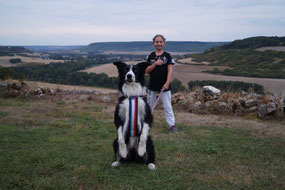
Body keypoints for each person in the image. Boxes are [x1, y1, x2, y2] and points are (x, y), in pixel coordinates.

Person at [145, 34, 178, 132]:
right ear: (153, 43)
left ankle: (172, 125)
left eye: (161, 42)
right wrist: (155, 64)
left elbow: (170, 70)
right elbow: (146, 71)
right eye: (157, 42)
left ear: (164, 43)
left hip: (164, 86)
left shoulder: (167, 56)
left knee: (167, 106)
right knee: (149, 106)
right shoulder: (150, 56)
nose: (159, 43)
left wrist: (167, 83)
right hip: (152, 85)